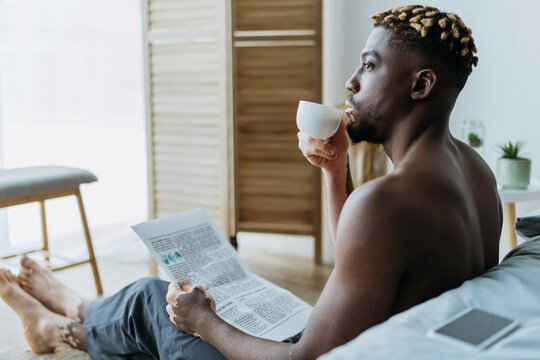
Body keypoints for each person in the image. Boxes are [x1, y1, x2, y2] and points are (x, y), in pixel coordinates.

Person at [0, 4, 502, 359]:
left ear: (421, 84)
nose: (351, 81)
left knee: (159, 301)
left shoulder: (386, 202)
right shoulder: (475, 173)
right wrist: (334, 169)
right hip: (378, 342)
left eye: (369, 66)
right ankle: (79, 312)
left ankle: (64, 327)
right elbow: (365, 255)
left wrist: (204, 323)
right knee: (189, 308)